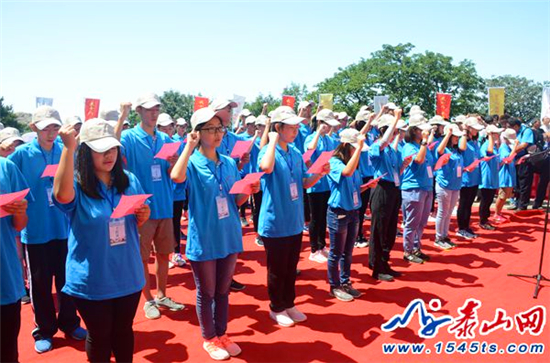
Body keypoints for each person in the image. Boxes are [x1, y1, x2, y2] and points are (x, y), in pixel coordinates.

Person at [53, 118, 149, 363]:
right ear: (86, 152)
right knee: (100, 336)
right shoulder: (77, 184)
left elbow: (138, 215)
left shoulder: (129, 180)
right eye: (100, 150)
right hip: (92, 280)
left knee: (123, 333)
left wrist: (142, 215)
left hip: (128, 274)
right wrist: (68, 148)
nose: (109, 155)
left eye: (113, 148)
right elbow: (61, 196)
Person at [171, 106, 259, 361]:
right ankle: (209, 338)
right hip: (205, 238)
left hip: (229, 234)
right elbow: (176, 177)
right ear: (197, 133)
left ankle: (222, 333)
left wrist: (249, 189)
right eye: (210, 129)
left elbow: (236, 201)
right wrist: (188, 147)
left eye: (219, 128)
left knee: (223, 291)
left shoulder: (229, 162)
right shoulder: (193, 163)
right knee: (206, 292)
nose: (218, 133)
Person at [8, 106, 86, 353]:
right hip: (37, 231)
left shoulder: (66, 151)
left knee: (68, 281)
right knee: (40, 286)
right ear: (34, 129)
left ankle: (70, 323)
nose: (51, 133)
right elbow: (7, 180)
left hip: (64, 230)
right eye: (45, 128)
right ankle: (44, 329)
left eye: (55, 127)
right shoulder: (20, 155)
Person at [258, 106, 329, 327]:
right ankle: (276, 307)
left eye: (297, 126)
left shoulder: (295, 153)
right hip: (275, 221)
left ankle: (288, 303)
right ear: (278, 128)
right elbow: (265, 167)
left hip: (294, 221)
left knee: (290, 267)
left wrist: (320, 173)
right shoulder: (267, 151)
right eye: (291, 127)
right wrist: (270, 141)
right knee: (277, 269)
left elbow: (305, 183)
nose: (296, 130)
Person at [119, 94, 184, 319]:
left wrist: (173, 164)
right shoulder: (129, 137)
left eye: (156, 108)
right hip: (141, 210)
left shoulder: (166, 140)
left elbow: (171, 175)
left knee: (165, 254)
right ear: (139, 111)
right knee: (142, 257)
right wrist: (121, 118)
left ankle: (162, 294)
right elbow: (112, 149)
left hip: (165, 204)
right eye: (149, 109)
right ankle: (147, 300)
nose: (154, 113)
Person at [326, 128, 372, 302]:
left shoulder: (354, 162)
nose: (356, 150)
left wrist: (367, 186)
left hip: (353, 210)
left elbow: (354, 186)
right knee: (336, 251)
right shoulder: (335, 162)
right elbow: (346, 173)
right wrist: (359, 149)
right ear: (345, 146)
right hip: (338, 211)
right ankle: (334, 285)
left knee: (348, 251)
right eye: (353, 147)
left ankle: (345, 282)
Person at [369, 111, 411, 281]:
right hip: (381, 189)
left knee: (390, 229)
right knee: (379, 229)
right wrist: (395, 119)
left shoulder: (393, 151)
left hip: (394, 188)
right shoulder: (376, 145)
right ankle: (376, 266)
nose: (397, 133)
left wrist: (404, 166)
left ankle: (385, 262)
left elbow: (396, 172)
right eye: (394, 130)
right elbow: (384, 141)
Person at [1, 157, 30, 363]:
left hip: (5, 274)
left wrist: (20, 212)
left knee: (8, 349)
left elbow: (19, 224)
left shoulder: (5, 167)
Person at [303, 109, 340, 263]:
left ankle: (321, 245)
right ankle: (313, 250)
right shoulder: (311, 138)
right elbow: (308, 153)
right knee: (315, 218)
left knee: (323, 217)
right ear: (320, 123)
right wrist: (318, 132)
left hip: (326, 183)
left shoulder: (330, 140)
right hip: (314, 184)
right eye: (326, 124)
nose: (329, 128)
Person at [400, 115, 435, 264]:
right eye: (422, 130)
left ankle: (416, 247)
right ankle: (407, 250)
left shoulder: (423, 146)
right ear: (414, 131)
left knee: (421, 222)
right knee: (412, 222)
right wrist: (425, 142)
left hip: (426, 187)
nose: (424, 133)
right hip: (413, 188)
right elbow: (419, 160)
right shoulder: (409, 146)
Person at [434, 124, 466, 249]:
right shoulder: (445, 150)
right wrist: (447, 134)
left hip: (455, 186)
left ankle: (445, 235)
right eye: (455, 137)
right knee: (442, 212)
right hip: (444, 185)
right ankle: (438, 237)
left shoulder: (457, 151)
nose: (457, 139)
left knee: (448, 213)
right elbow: (439, 150)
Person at [456, 117, 485, 239]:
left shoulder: (475, 141)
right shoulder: (463, 140)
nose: (476, 131)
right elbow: (462, 148)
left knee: (469, 204)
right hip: (466, 177)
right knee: (464, 203)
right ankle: (461, 228)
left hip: (475, 176)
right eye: (474, 129)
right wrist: (463, 130)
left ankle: (466, 226)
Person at [478, 125, 503, 230]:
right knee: (485, 200)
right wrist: (490, 137)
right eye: (496, 133)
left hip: (493, 178)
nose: (498, 135)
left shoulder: (494, 146)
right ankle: (483, 220)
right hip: (486, 178)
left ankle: (485, 219)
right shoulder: (486, 145)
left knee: (489, 200)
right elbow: (489, 153)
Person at [509, 118, 535, 210]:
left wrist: (511, 151)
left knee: (524, 183)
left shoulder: (526, 131)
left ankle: (522, 205)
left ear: (516, 126)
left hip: (525, 160)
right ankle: (517, 202)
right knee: (517, 183)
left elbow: (524, 145)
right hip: (515, 160)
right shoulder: (516, 132)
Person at [494, 129, 519, 222]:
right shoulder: (503, 147)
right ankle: (496, 213)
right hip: (504, 175)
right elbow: (507, 159)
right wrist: (515, 147)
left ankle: (499, 213)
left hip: (509, 175)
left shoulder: (507, 147)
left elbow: (510, 160)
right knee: (502, 196)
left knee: (505, 196)